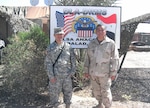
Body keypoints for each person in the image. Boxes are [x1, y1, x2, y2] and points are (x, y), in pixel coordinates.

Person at [83, 24, 119, 108]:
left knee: (105, 91)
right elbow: (87, 58)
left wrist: (113, 72)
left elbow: (115, 59)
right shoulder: (92, 43)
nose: (100, 32)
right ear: (96, 32)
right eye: (98, 30)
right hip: (93, 73)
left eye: (102, 30)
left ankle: (107, 106)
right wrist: (86, 71)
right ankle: (100, 104)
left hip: (105, 73)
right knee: (96, 91)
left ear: (105, 32)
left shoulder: (111, 43)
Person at [44, 27, 76, 108]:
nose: (60, 36)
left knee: (68, 96)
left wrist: (72, 73)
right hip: (55, 77)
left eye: (61, 34)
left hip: (67, 76)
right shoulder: (50, 48)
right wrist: (51, 76)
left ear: (63, 35)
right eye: (58, 34)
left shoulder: (68, 47)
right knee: (54, 98)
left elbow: (73, 61)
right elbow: (48, 63)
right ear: (54, 35)